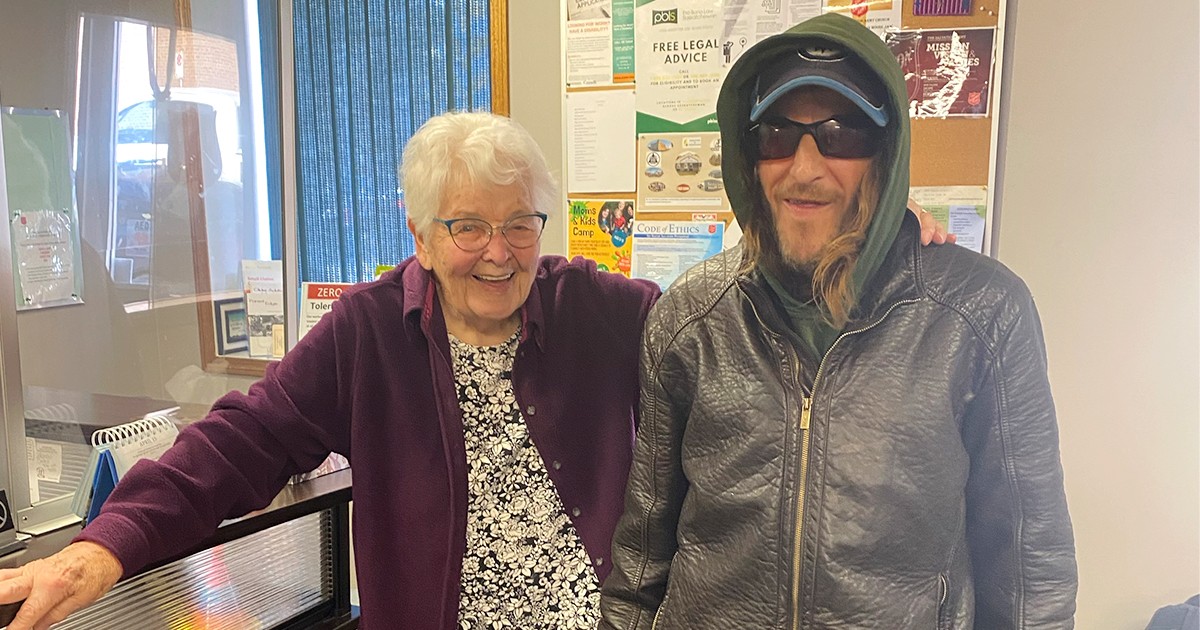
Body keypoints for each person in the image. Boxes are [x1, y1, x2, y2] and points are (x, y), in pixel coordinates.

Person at [0, 112, 951, 629]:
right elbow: (241, 440)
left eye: (519, 224)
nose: (497, 253)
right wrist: (109, 541)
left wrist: (883, 250)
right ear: (419, 234)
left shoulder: (609, 311)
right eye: (466, 226)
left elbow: (735, 328)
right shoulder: (370, 332)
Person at [600, 13, 1076, 630]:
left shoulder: (980, 316)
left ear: (885, 151)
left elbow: (1029, 569)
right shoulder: (691, 318)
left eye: (839, 133)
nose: (803, 168)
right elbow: (641, 561)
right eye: (777, 134)